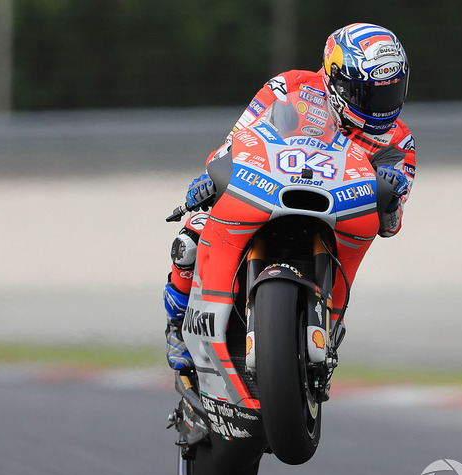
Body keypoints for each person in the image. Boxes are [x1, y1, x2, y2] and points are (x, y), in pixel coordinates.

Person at [164, 22, 416, 371]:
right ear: (337, 82)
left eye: (390, 92)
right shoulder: (289, 86)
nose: (381, 106)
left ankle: (321, 331)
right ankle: (176, 325)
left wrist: (390, 196)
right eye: (368, 94)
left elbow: (391, 225)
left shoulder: (399, 140)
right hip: (268, 194)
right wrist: (209, 178)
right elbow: (235, 141)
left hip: (332, 223)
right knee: (191, 235)